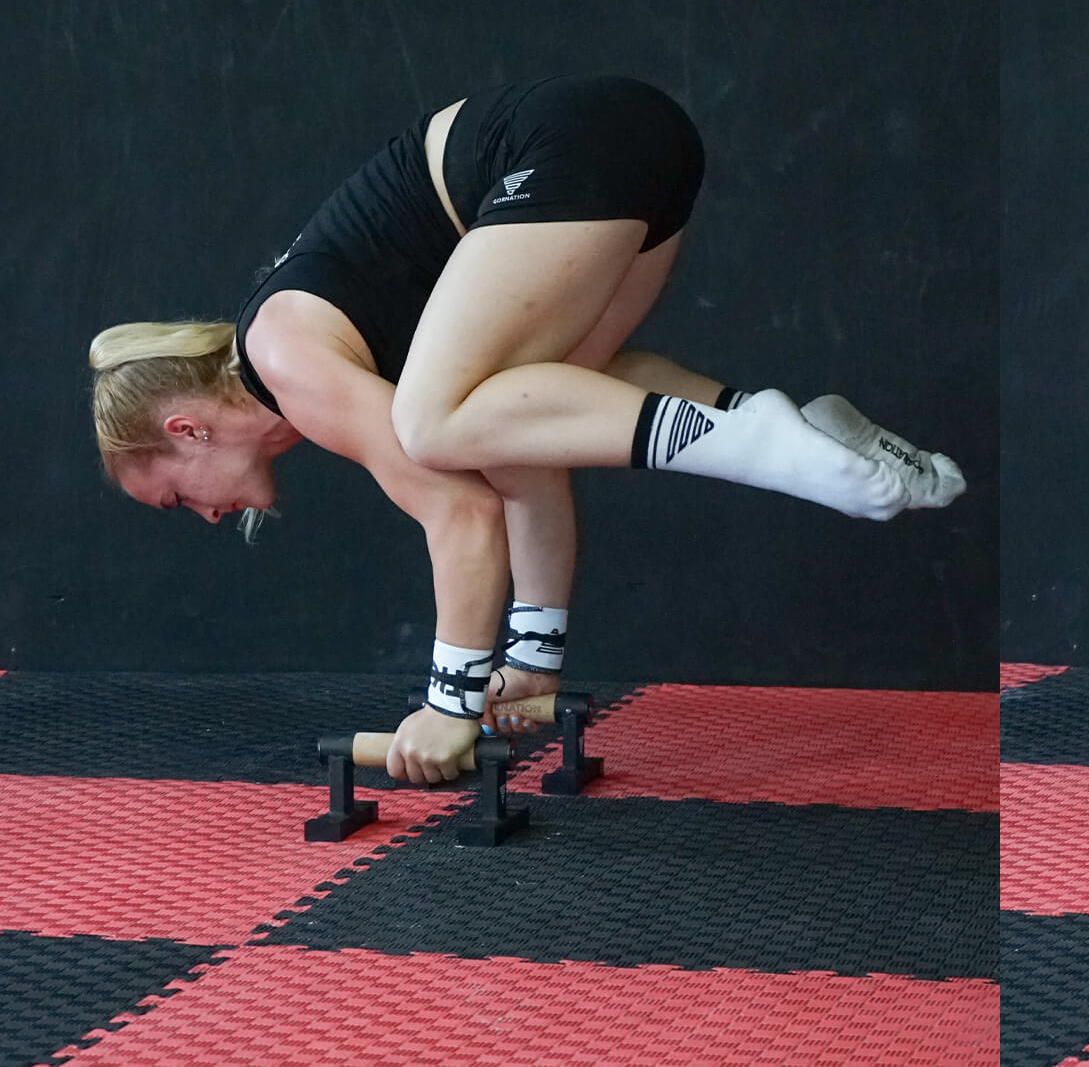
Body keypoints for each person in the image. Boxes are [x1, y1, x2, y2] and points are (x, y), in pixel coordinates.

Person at [90, 75, 963, 784]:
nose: (202, 518)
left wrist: (449, 704)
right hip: (637, 142)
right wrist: (531, 662)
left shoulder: (284, 357)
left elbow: (459, 517)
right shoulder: (318, 358)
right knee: (522, 413)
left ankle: (771, 442)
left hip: (557, 146)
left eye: (172, 498)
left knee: (431, 423)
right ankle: (798, 428)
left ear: (187, 429)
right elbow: (520, 463)